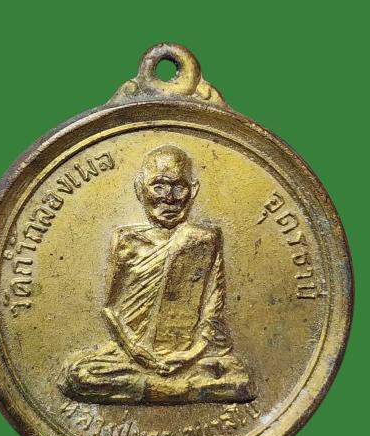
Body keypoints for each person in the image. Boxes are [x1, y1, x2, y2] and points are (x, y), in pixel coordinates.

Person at [58, 145, 254, 404]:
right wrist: (138, 354)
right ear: (140, 189)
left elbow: (213, 310)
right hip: (132, 353)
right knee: (79, 374)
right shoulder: (127, 240)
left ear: (193, 190)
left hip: (193, 354)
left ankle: (155, 388)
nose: (169, 198)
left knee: (239, 376)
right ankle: (179, 390)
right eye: (158, 187)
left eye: (179, 188)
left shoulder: (205, 239)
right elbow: (110, 308)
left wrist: (190, 355)